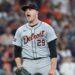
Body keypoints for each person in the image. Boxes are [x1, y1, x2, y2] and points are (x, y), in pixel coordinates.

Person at [13, 3, 59, 75]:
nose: (27, 12)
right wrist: (19, 66)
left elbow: (53, 52)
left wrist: (53, 69)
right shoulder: (20, 30)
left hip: (45, 62)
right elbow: (17, 52)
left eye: (30, 9)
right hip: (28, 63)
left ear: (37, 12)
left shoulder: (47, 28)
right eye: (26, 10)